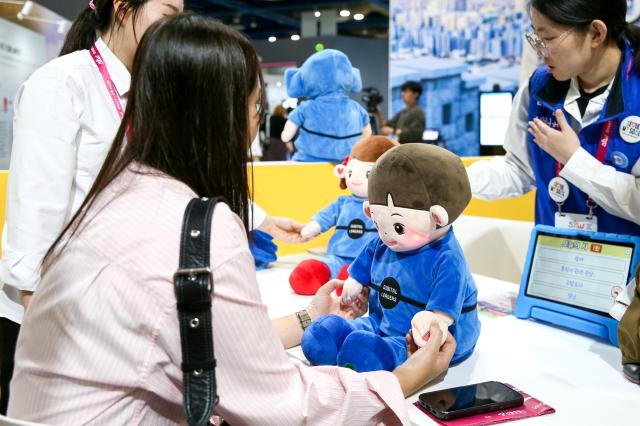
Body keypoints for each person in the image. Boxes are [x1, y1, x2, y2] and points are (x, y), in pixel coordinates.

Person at [8, 15, 456, 425]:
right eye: (255, 107)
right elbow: (284, 404)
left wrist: (308, 316)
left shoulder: (111, 197)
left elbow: (205, 345)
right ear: (220, 117)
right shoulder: (195, 230)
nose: (254, 123)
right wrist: (404, 379)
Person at [0, 0, 185, 415]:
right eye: (168, 16)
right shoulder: (62, 84)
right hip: (53, 324)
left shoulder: (150, 92)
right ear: (122, 8)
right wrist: (48, 355)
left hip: (111, 318)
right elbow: (34, 226)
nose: (175, 31)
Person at [467, 0, 640, 236]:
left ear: (596, 33)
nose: (540, 51)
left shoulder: (636, 91)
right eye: (536, 38)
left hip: (627, 268)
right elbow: (518, 170)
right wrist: (448, 177)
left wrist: (574, 160)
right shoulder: (538, 88)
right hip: (553, 260)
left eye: (548, 39)